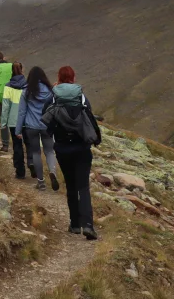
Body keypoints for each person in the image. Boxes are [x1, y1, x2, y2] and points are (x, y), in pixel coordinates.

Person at [44, 65, 102, 240]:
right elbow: (89, 117)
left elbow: (45, 118)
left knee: (70, 186)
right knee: (83, 187)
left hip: (62, 148)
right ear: (73, 78)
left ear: (59, 78)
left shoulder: (53, 97)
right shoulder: (82, 97)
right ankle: (88, 226)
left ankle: (75, 224)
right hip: (82, 148)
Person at [14, 66, 59, 192]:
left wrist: (17, 130)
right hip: (46, 125)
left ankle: (41, 182)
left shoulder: (26, 92)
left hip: (31, 126)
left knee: (36, 153)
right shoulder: (51, 91)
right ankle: (52, 172)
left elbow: (22, 112)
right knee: (49, 151)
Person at [0, 62, 27, 178]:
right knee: (29, 143)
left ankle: (20, 171)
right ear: (22, 70)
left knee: (17, 145)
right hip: (26, 120)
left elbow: (5, 107)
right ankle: (32, 163)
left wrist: (3, 123)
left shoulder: (8, 86)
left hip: (13, 120)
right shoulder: (28, 85)